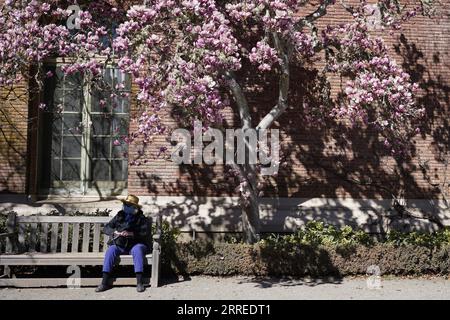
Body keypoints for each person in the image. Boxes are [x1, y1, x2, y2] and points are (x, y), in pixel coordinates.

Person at [95, 195, 151, 293]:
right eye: (125, 204)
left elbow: (145, 233)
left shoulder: (141, 218)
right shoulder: (119, 215)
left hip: (136, 244)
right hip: (120, 244)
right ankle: (104, 282)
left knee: (137, 250)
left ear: (135, 207)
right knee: (110, 250)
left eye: (129, 205)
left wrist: (132, 234)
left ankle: (139, 282)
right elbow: (107, 227)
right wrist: (115, 232)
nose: (126, 206)